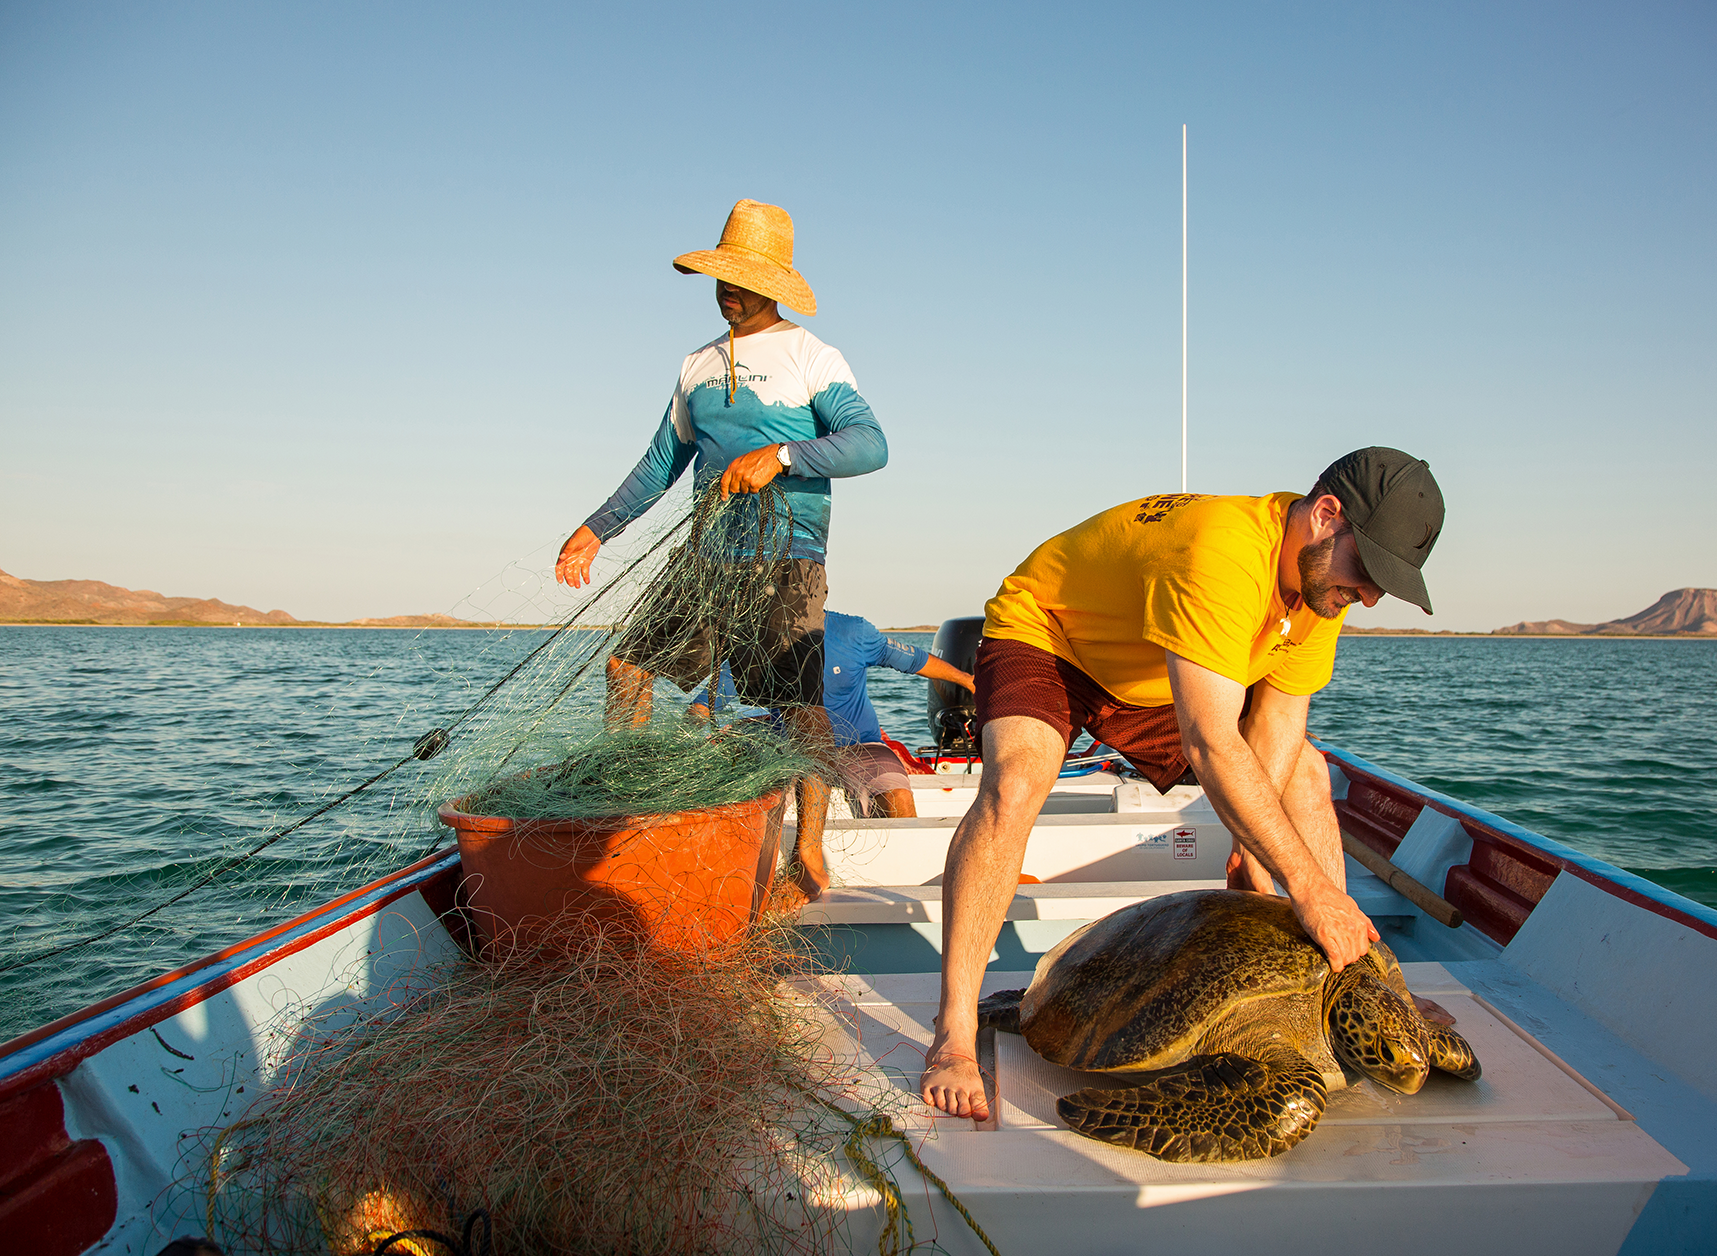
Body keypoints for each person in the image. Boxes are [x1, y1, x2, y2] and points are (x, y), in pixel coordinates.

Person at [918, 447, 1447, 1121]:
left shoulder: (1320, 592)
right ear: (1325, 516)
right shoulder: (1224, 552)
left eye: (1385, 585)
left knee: (1308, 775)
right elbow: (1212, 740)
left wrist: (1254, 853)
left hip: (1152, 670)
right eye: (1369, 570)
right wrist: (1308, 890)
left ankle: (1349, 985)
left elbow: (1277, 733)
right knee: (1017, 780)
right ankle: (955, 1032)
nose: (1370, 596)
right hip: (1051, 636)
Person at [554, 199, 887, 832]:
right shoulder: (696, 364)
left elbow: (872, 444)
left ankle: (809, 847)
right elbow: (661, 463)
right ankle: (627, 807)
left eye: (743, 280)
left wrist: (783, 455)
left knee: (797, 705)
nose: (728, 290)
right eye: (722, 278)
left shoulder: (812, 356)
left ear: (773, 286)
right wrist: (595, 528)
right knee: (627, 667)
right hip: (706, 554)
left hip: (787, 555)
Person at [691, 610, 977, 897]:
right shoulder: (764, 641)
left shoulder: (854, 632)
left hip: (859, 745)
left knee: (896, 793)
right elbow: (705, 702)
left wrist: (968, 681)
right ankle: (752, 883)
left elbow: (916, 660)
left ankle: (913, 881)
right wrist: (695, 730)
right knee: (764, 800)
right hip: (790, 750)